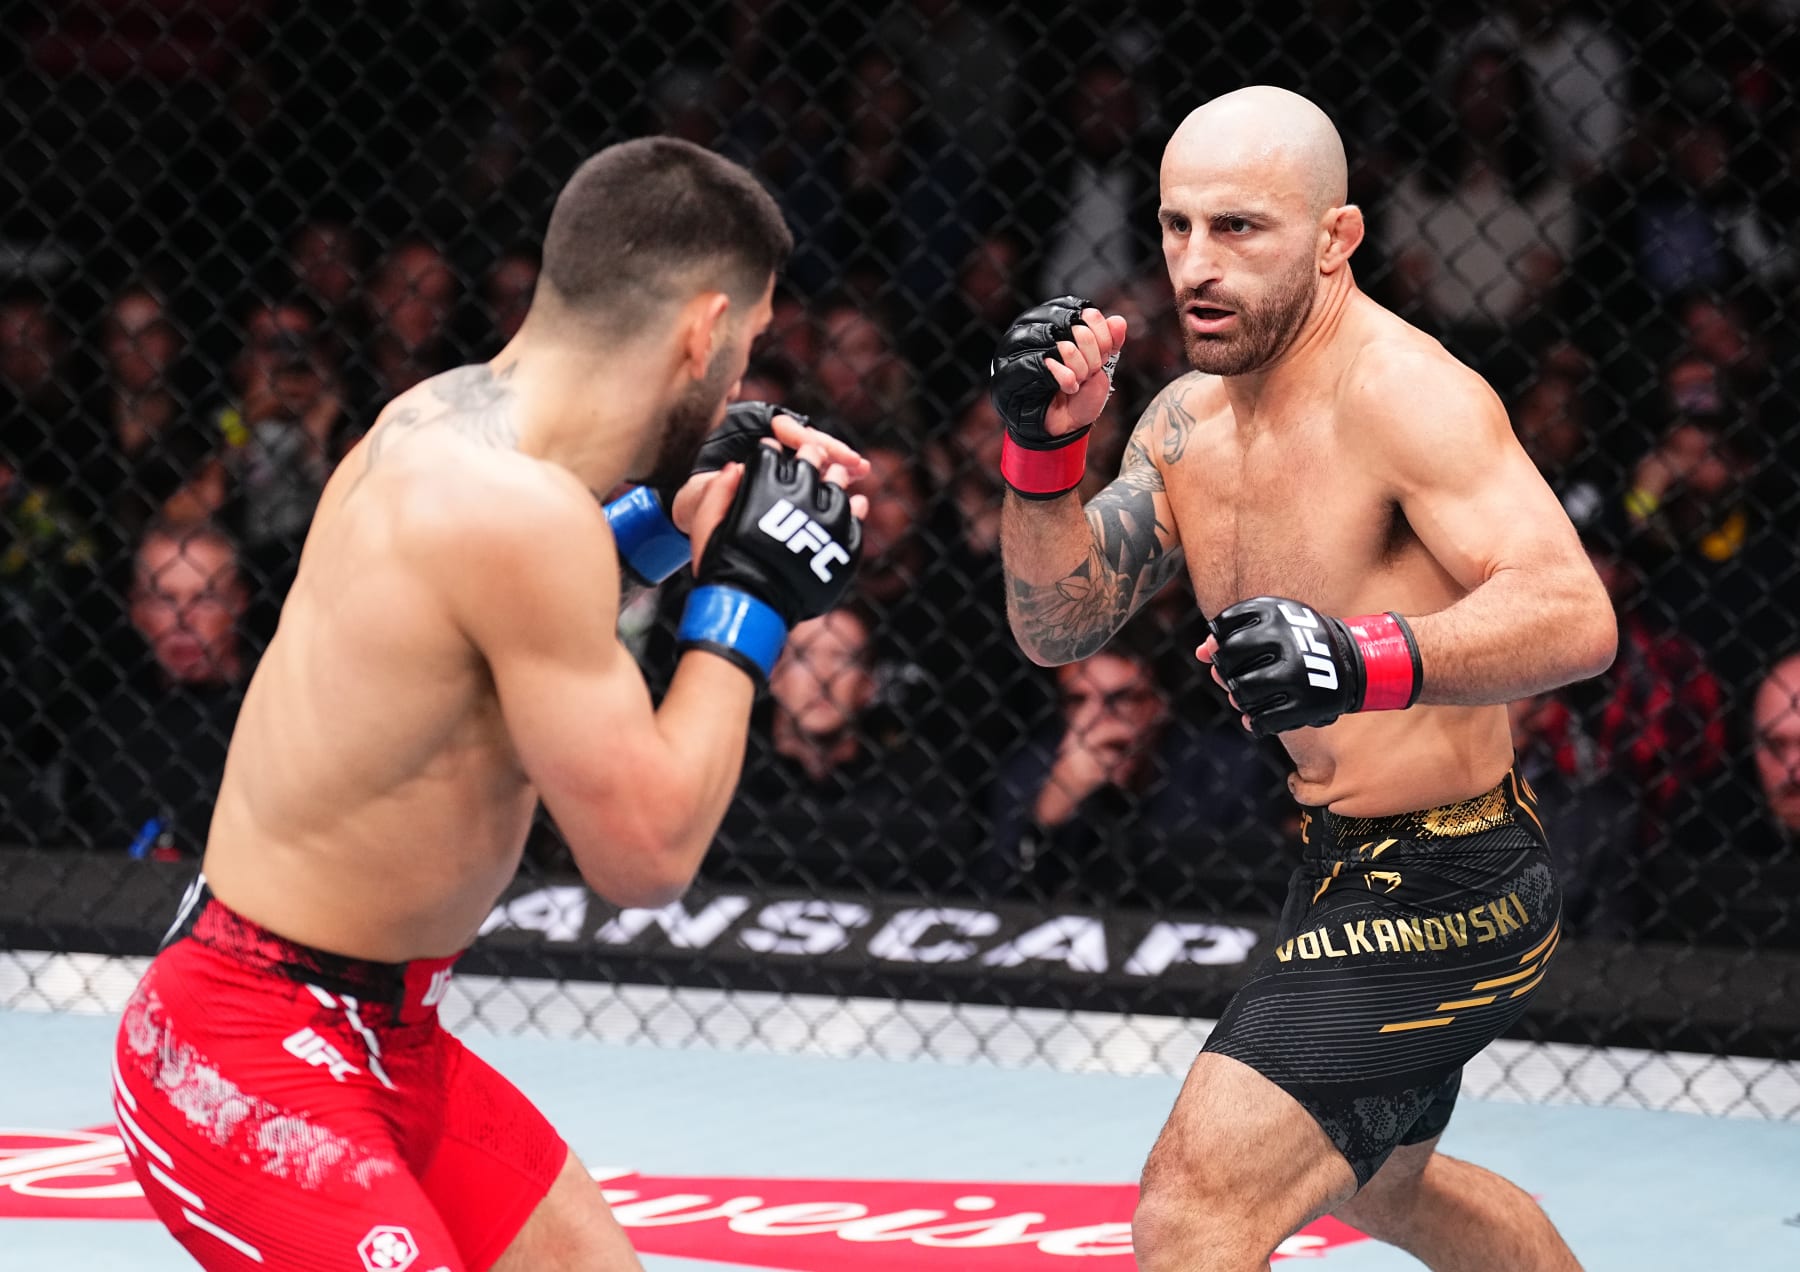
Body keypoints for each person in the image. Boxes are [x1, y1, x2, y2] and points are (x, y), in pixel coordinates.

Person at [111, 137, 867, 1272]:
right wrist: (752, 596)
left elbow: (485, 630)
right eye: (748, 349)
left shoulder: (438, 419)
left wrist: (669, 517)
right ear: (704, 331)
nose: (741, 384)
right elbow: (646, 854)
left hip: (383, 1039)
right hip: (242, 1048)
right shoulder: (521, 519)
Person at [993, 86, 1613, 1269]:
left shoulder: (1405, 394)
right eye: (1176, 228)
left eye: (1239, 230)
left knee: (1194, 1205)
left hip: (1453, 876)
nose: (1194, 266)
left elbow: (1577, 616)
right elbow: (1058, 622)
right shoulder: (1182, 423)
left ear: (1337, 239)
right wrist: (1043, 454)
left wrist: (1365, 655)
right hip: (1337, 863)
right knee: (1387, 1185)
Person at [61, 520, 249, 856]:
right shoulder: (106, 724)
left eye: (205, 597)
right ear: (135, 608)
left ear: (237, 603)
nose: (183, 619)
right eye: (164, 598)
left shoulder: (275, 717)